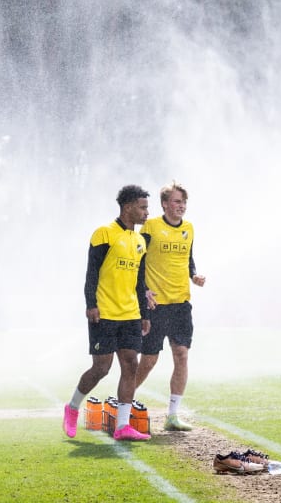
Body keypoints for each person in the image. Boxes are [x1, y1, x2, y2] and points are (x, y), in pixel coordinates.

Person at [63, 185, 152, 441]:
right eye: (142, 207)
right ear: (127, 207)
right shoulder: (104, 233)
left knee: (130, 364)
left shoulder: (140, 241)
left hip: (131, 314)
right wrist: (91, 304)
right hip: (104, 312)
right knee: (101, 368)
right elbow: (91, 272)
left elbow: (139, 280)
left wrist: (144, 314)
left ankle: (123, 426)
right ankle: (72, 408)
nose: (147, 212)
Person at [135, 181, 206, 431]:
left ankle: (172, 415)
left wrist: (194, 275)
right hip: (156, 306)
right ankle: (124, 401)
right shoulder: (151, 226)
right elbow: (137, 260)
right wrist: (142, 290)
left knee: (182, 355)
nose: (181, 206)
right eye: (177, 201)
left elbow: (189, 259)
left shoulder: (189, 228)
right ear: (165, 204)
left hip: (181, 304)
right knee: (149, 360)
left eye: (184, 202)